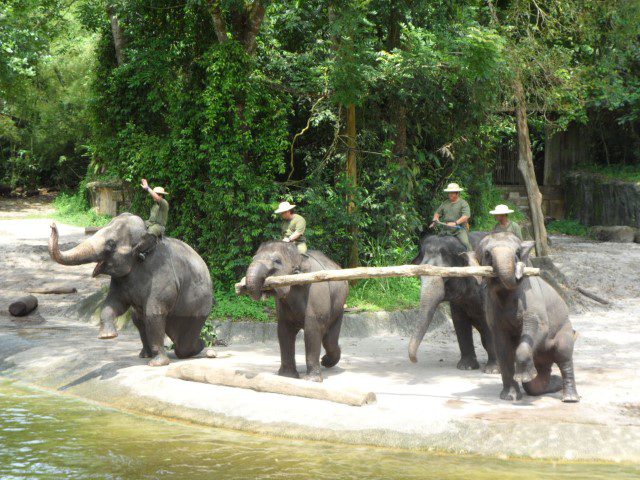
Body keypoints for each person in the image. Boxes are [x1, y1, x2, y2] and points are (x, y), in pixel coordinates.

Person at [429, 182, 473, 251]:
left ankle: (471, 256)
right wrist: (435, 219)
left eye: (452, 193)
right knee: (435, 242)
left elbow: (466, 216)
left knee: (466, 244)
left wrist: (455, 223)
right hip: (447, 229)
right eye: (449, 193)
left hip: (459, 229)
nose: (450, 194)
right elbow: (437, 213)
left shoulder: (463, 203)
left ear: (457, 193)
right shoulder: (445, 203)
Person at [134, 179, 169, 261]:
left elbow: (156, 198)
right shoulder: (154, 205)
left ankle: (144, 252)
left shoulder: (164, 203)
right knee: (138, 224)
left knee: (151, 231)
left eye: (156, 194)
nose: (154, 196)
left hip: (159, 226)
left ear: (161, 195)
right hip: (150, 223)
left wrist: (147, 188)